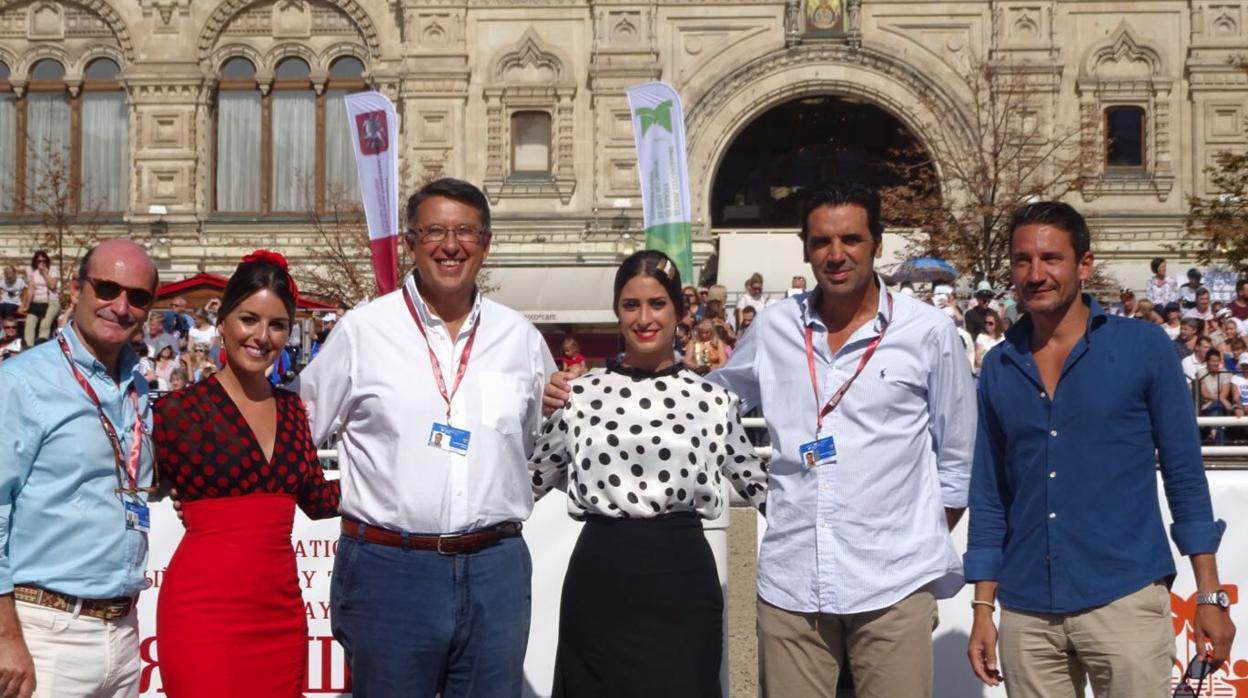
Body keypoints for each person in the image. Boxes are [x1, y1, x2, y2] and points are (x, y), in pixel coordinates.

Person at [546, 182, 977, 697]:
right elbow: (705, 397)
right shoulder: (774, 327)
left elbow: (958, 462)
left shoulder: (928, 332)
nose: (836, 255)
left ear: (877, 245)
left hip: (891, 580)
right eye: (821, 242)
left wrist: (917, 542)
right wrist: (600, 392)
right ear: (805, 248)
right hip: (790, 586)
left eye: (851, 240)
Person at [294, 178, 555, 697]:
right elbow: (297, 433)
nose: (451, 245)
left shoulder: (519, 338)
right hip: (390, 571)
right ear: (411, 244)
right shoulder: (363, 331)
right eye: (435, 231)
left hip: (494, 569)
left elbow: (540, 445)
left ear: (486, 243)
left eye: (466, 232)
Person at [965, 201, 1235, 697]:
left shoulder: (1144, 348)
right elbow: (989, 495)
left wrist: (1210, 594)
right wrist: (983, 608)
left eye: (1051, 258)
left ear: (1083, 265)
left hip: (1124, 597)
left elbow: (1184, 476)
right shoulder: (1000, 366)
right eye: (1022, 260)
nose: (1036, 272)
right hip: (1026, 609)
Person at [529, 250, 767, 697]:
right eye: (631, 304)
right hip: (600, 579)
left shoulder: (713, 401)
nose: (644, 318)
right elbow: (526, 484)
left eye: (657, 303)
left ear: (679, 310)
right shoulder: (577, 396)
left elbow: (764, 489)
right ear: (617, 311)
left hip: (682, 582)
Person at [153, 251, 340, 698]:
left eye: (277, 325)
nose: (262, 336)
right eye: (249, 319)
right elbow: (132, 486)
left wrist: (399, 476)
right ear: (223, 321)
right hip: (202, 615)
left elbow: (317, 500)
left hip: (280, 615)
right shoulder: (176, 411)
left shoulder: (293, 409)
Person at [0, 239, 160, 698]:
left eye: (138, 296)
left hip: (123, 636)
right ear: (75, 289)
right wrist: (7, 637)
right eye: (107, 288)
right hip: (43, 635)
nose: (121, 306)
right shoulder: (22, 382)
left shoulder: (137, 388)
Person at [19, 250, 59, 346]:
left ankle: (42, 346)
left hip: (51, 301)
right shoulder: (32, 271)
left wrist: (44, 273)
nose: (41, 263)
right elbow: (30, 290)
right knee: (29, 324)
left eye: (44, 261)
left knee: (44, 324)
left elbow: (52, 286)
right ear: (35, 261)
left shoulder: (52, 269)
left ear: (47, 261)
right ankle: (28, 348)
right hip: (36, 302)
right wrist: (25, 306)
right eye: (39, 261)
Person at [974, 309, 1004, 374]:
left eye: (990, 323)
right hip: (984, 370)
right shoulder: (981, 336)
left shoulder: (1003, 337)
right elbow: (978, 359)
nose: (987, 325)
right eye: (985, 322)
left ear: (997, 324)